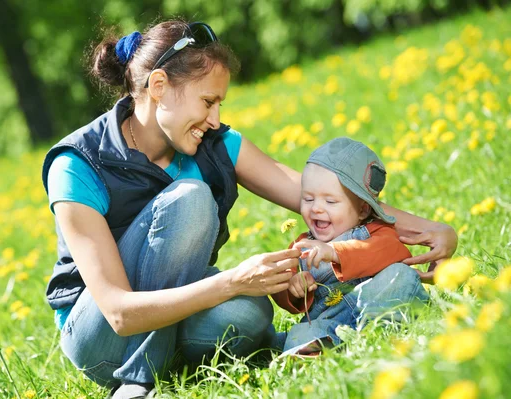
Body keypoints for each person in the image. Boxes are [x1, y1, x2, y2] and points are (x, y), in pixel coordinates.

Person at [41, 20, 457, 399]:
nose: (215, 117)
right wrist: (232, 282)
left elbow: (315, 194)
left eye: (220, 103)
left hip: (166, 313)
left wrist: (429, 230)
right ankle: (138, 381)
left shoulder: (215, 143)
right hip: (102, 338)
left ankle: (198, 362)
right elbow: (116, 312)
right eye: (208, 101)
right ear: (159, 86)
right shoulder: (78, 164)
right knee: (192, 200)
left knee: (252, 313)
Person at [272, 138, 430, 356]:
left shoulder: (376, 230)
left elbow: (392, 252)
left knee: (400, 277)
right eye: (308, 199)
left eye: (330, 202)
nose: (317, 208)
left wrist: (336, 252)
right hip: (330, 321)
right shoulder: (301, 245)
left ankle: (376, 332)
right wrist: (293, 288)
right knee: (300, 333)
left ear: (363, 210)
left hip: (376, 304)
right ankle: (317, 350)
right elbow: (285, 296)